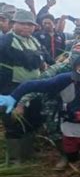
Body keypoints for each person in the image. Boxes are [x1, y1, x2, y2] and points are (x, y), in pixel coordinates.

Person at [0, 55, 80, 177]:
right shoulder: (63, 80)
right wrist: (14, 97)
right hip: (69, 127)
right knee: (71, 156)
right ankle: (75, 159)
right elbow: (32, 85)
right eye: (78, 77)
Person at [0, 10, 48, 164]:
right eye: (22, 23)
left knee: (33, 120)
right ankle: (14, 160)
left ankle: (27, 154)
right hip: (11, 89)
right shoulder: (5, 41)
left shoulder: (34, 41)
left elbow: (47, 59)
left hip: (34, 88)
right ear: (13, 24)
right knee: (13, 122)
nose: (26, 27)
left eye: (30, 24)